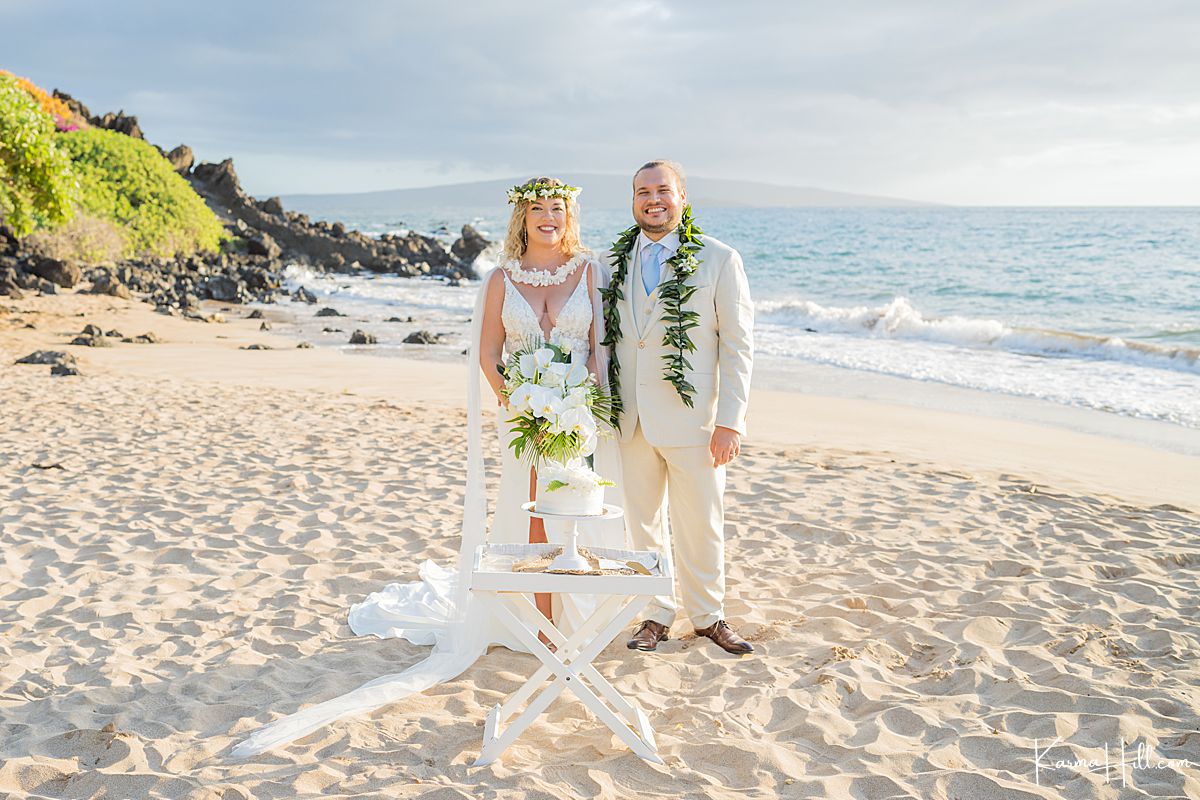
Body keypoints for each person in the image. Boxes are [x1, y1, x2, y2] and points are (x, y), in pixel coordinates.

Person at [230, 177, 621, 757]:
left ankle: (576, 613)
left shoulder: (590, 272)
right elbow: (489, 353)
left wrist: (589, 405)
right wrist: (519, 403)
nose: (547, 217)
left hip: (578, 412)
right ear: (521, 218)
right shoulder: (499, 279)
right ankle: (539, 619)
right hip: (524, 417)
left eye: (556, 209)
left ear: (569, 216)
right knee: (529, 513)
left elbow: (601, 350)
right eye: (536, 208)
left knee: (575, 509)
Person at [602, 160, 756, 655]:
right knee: (641, 523)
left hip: (695, 421)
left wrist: (730, 421)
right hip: (631, 419)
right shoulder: (612, 262)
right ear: (633, 201)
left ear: (682, 197)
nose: (653, 200)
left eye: (663, 190)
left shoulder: (718, 260)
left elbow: (737, 346)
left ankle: (709, 616)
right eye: (643, 192)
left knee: (700, 521)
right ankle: (656, 613)